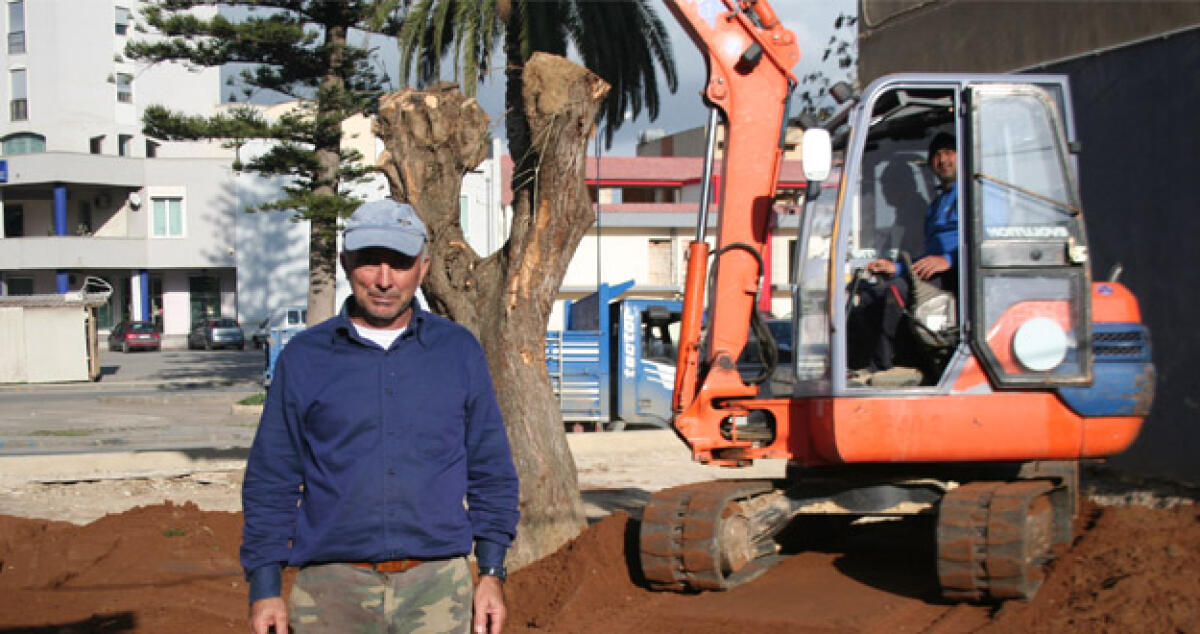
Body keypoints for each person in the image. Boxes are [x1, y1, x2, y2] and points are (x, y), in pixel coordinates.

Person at [240, 199, 520, 634]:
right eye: (370, 262)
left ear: (423, 267)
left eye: (401, 263)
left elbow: (491, 470)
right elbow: (271, 478)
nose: (384, 281)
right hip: (330, 592)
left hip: (438, 589)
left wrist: (491, 572)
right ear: (345, 263)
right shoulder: (304, 358)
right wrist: (264, 587)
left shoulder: (458, 352)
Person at [850, 132, 959, 379]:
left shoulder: (975, 195)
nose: (943, 160)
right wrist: (896, 268)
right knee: (867, 295)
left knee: (895, 291)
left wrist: (950, 260)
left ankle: (889, 364)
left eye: (949, 153)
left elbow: (984, 240)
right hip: (934, 271)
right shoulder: (937, 204)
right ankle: (858, 361)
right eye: (937, 155)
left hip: (961, 273)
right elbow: (925, 255)